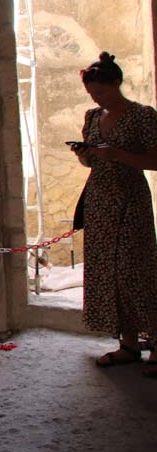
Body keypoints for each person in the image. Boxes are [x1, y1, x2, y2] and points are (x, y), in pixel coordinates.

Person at [69, 52, 157, 378]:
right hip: (100, 201)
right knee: (108, 274)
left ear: (117, 83)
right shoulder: (92, 117)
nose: (96, 98)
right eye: (92, 93)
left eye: (101, 92)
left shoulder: (142, 116)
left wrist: (118, 154)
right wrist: (85, 155)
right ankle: (129, 344)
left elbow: (155, 160)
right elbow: (91, 163)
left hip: (130, 201)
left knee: (136, 271)